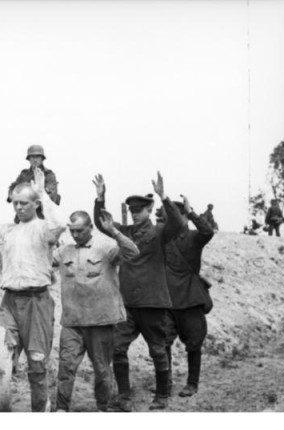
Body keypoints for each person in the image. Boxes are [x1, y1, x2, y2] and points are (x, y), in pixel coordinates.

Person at [0, 168, 67, 412]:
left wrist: (43, 193)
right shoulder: (6, 231)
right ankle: (0, 412)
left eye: (24, 203)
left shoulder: (44, 228)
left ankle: (40, 412)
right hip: (10, 303)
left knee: (37, 367)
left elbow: (60, 224)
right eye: (15, 203)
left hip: (37, 303)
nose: (19, 208)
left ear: (34, 204)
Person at [92, 172, 183, 411]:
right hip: (128, 303)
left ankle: (162, 394)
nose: (135, 214)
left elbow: (179, 223)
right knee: (118, 348)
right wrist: (100, 199)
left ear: (149, 210)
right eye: (132, 211)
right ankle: (124, 395)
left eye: (139, 211)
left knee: (157, 349)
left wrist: (164, 196)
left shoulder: (161, 231)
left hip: (153, 303)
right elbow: (103, 225)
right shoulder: (127, 232)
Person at [53, 210, 139, 412]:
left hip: (99, 322)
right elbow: (41, 261)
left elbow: (132, 252)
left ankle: (102, 408)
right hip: (72, 322)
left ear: (90, 228)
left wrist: (114, 232)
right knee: (65, 368)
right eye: (72, 231)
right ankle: (61, 409)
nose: (75, 235)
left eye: (80, 231)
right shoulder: (64, 251)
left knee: (101, 370)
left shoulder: (106, 247)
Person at [158, 196, 214, 398]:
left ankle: (192, 383)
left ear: (184, 217)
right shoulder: (162, 238)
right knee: (163, 342)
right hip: (167, 299)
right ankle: (166, 382)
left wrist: (192, 213)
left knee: (193, 343)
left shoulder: (193, 237)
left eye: (175, 215)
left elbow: (208, 232)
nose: (169, 220)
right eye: (165, 217)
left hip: (190, 298)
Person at [8, 145, 60, 212]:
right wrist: (12, 196)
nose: (35, 160)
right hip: (25, 212)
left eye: (38, 157)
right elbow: (13, 187)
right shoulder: (24, 174)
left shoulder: (49, 175)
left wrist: (38, 193)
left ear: (42, 159)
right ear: (29, 159)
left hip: (43, 212)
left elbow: (52, 196)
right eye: (32, 157)